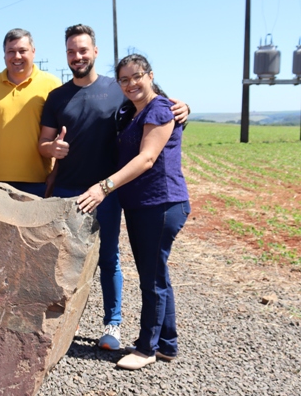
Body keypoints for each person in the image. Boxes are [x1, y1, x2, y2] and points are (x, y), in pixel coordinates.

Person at [39, 24, 190, 351]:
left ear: (95, 52)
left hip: (107, 193)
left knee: (108, 258)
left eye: (83, 50)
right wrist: (51, 149)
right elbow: (43, 143)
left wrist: (184, 110)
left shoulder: (118, 91)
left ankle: (113, 323)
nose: (77, 56)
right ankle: (64, 322)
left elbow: (155, 111)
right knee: (65, 261)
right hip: (67, 189)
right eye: (71, 51)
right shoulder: (56, 97)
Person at [76, 53, 190, 370]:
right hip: (142, 206)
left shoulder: (159, 109)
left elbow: (147, 158)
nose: (130, 84)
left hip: (162, 204)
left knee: (151, 280)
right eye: (124, 79)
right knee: (156, 275)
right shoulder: (129, 111)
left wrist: (103, 187)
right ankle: (167, 344)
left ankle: (146, 348)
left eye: (136, 76)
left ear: (150, 75)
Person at [0, 28, 61, 197]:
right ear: (4, 55)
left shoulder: (52, 84)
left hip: (39, 182)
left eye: (23, 51)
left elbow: (62, 135)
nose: (17, 56)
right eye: (11, 51)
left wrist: (54, 175)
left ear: (33, 52)